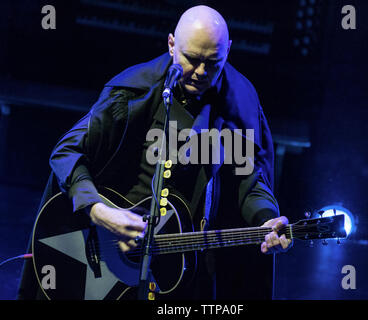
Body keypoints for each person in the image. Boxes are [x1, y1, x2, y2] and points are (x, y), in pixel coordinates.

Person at [18, 5, 292, 300]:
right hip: (112, 250)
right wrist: (100, 212)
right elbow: (68, 151)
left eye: (213, 63)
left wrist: (267, 219)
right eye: (192, 59)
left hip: (180, 262)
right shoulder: (135, 91)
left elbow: (248, 182)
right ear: (172, 44)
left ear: (228, 50)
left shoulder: (238, 105)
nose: (201, 73)